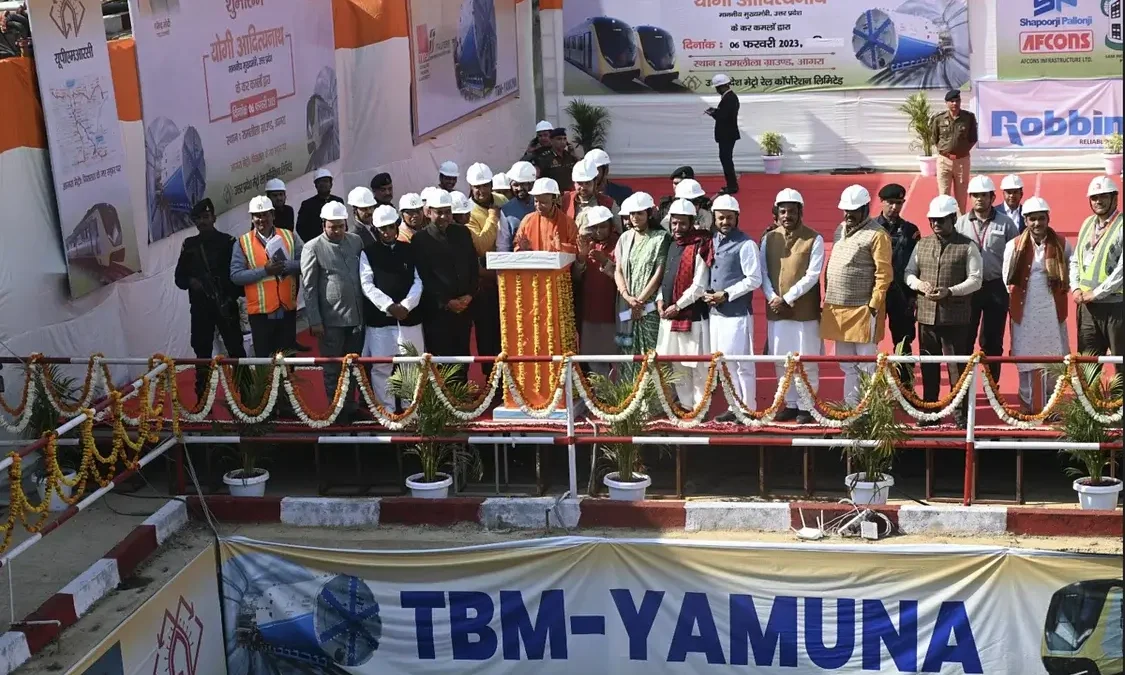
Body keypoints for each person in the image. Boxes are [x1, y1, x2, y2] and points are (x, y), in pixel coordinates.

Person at [906, 195, 983, 428]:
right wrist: (920, 285)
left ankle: (961, 416)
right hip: (927, 318)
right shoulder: (922, 244)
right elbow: (909, 273)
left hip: (955, 319)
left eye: (941, 220)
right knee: (928, 368)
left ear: (953, 218)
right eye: (932, 220)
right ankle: (930, 412)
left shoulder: (968, 246)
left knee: (957, 369)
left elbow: (976, 280)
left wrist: (950, 291)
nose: (936, 224)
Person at [822, 185, 893, 408]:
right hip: (837, 307)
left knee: (866, 363)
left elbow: (884, 274)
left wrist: (873, 305)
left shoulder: (878, 235)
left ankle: (869, 408)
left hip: (864, 309)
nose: (848, 215)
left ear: (865, 209)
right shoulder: (840, 228)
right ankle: (851, 406)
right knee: (846, 363)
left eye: (853, 210)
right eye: (845, 210)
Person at [1002, 197, 1071, 412]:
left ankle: (1052, 408)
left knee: (1053, 358)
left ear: (1048, 218)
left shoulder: (1062, 244)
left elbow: (1068, 272)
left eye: (1041, 218)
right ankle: (1028, 407)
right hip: (1025, 308)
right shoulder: (1013, 246)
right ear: (1025, 220)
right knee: (1026, 360)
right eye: (1032, 219)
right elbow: (1007, 280)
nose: (1037, 224)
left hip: (1052, 308)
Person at [760, 188, 823, 424]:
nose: (787, 216)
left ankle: (807, 406)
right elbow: (763, 272)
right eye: (783, 211)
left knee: (806, 360)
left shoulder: (814, 238)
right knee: (781, 360)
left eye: (792, 211)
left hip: (804, 312)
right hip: (776, 310)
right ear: (777, 212)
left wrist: (787, 297)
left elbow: (813, 274)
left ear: (800, 212)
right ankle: (790, 403)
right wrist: (772, 297)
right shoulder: (768, 238)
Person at [300, 201, 365, 419]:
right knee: (332, 368)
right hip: (330, 320)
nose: (337, 231)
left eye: (340, 226)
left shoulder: (355, 241)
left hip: (356, 316)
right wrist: (314, 320)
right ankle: (335, 409)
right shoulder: (313, 247)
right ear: (323, 225)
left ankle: (351, 406)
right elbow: (308, 287)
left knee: (354, 365)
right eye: (332, 226)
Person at [174, 199, 246, 397]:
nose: (203, 222)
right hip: (200, 309)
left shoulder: (228, 242)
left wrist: (230, 298)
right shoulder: (189, 245)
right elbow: (179, 279)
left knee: (236, 350)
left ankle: (247, 395)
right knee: (202, 354)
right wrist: (192, 282)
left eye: (206, 217)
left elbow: (237, 276)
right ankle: (202, 399)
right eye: (199, 219)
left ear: (214, 218)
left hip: (225, 305)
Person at [359, 205, 425, 410]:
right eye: (382, 229)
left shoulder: (409, 249)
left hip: (408, 318)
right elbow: (367, 285)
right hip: (381, 321)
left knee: (411, 364)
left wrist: (406, 306)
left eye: (390, 227)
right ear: (377, 230)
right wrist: (388, 306)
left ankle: (409, 409)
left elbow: (418, 280)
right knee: (381, 366)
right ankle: (386, 410)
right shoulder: (367, 253)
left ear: (396, 226)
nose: (387, 232)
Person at [411, 190, 479, 383]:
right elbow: (425, 276)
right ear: (428, 212)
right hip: (438, 311)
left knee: (462, 353)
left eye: (447, 212)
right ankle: (445, 399)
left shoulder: (462, 232)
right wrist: (446, 302)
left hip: (464, 307)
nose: (443, 217)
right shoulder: (421, 240)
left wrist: (470, 295)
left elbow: (473, 266)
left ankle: (462, 395)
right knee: (441, 356)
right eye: (439, 212)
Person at [956, 175, 1019, 383]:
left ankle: (992, 385)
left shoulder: (1006, 223)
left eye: (984, 195)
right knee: (965, 338)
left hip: (996, 288)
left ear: (992, 197)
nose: (979, 199)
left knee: (992, 341)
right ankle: (964, 386)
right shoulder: (961, 224)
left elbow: (1016, 255)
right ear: (970, 197)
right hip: (969, 289)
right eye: (975, 195)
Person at [705, 194, 761, 421]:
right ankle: (733, 406)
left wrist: (726, 294)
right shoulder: (711, 241)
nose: (725, 222)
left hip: (737, 314)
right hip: (716, 315)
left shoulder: (746, 244)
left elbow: (754, 279)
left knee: (742, 364)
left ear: (737, 218)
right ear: (714, 219)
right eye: (721, 218)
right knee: (723, 364)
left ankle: (748, 409)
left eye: (729, 218)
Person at [657, 199, 714, 409]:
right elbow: (665, 278)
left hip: (692, 316)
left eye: (682, 224)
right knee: (677, 364)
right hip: (670, 316)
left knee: (697, 366)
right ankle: (686, 406)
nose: (677, 228)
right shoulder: (672, 244)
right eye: (674, 223)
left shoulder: (700, 244)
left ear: (691, 222)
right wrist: (660, 300)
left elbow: (699, 285)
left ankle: (700, 408)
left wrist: (677, 306)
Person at [231, 196, 303, 358]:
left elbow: (305, 262)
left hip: (286, 311)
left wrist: (285, 266)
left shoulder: (290, 236)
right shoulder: (243, 242)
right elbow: (236, 276)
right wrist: (265, 271)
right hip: (260, 315)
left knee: (288, 363)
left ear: (273, 215)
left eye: (266, 214)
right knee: (265, 364)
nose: (262, 219)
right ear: (252, 218)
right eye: (257, 215)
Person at [1070, 175, 1123, 379]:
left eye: (1103, 197)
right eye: (1094, 198)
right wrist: (1075, 288)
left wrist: (1097, 293)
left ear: (1114, 198)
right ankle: (1090, 409)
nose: (1098, 201)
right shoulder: (1087, 224)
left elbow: (1121, 271)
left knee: (1120, 363)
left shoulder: (1120, 225)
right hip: (1087, 308)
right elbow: (1075, 260)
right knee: (1088, 364)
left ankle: (1119, 409)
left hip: (1115, 307)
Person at [875, 183, 921, 384]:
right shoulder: (870, 228)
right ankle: (871, 385)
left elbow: (918, 264)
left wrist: (914, 297)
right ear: (882, 202)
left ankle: (906, 386)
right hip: (876, 293)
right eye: (890, 203)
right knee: (868, 342)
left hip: (902, 295)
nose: (894, 207)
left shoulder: (911, 230)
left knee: (903, 342)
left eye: (898, 203)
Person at [615, 192, 670, 355]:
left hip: (650, 307)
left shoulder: (661, 238)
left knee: (651, 356)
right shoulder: (624, 238)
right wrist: (627, 297)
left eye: (639, 213)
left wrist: (639, 302)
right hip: (627, 303)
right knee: (627, 355)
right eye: (632, 213)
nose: (635, 217)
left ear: (649, 213)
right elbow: (618, 270)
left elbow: (659, 273)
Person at [465, 162, 506, 379]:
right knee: (487, 333)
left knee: (506, 332)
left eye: (484, 186)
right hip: (485, 282)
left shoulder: (501, 201)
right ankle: (491, 379)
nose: (481, 191)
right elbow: (480, 246)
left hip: (507, 279)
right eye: (476, 187)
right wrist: (492, 218)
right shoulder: (469, 212)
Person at [575, 205, 620, 376]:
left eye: (603, 227)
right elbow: (577, 278)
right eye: (595, 227)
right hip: (590, 312)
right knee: (593, 358)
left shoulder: (619, 244)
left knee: (616, 357)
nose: (599, 231)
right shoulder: (586, 244)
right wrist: (581, 258)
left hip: (612, 312)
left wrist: (605, 262)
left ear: (611, 226)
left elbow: (623, 278)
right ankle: (601, 397)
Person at [930, 89, 978, 213]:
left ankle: (961, 222)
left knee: (961, 197)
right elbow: (935, 138)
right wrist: (945, 151)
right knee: (943, 195)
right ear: (946, 103)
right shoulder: (939, 119)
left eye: (957, 101)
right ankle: (944, 220)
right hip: (944, 160)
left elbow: (973, 138)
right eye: (952, 101)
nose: (955, 104)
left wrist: (961, 151)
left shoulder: (968, 118)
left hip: (962, 161)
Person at [513, 178, 579, 254]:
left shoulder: (568, 223)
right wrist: (523, 249)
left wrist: (561, 247)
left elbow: (576, 250)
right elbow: (517, 245)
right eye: (536, 201)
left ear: (554, 199)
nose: (538, 206)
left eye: (543, 202)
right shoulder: (527, 220)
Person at [704, 73, 740, 195]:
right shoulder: (729, 97)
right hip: (727, 134)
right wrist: (716, 111)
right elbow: (725, 114)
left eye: (717, 87)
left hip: (727, 135)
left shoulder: (729, 98)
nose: (717, 90)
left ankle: (732, 186)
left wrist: (713, 113)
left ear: (722, 86)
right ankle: (731, 184)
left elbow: (724, 116)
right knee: (726, 159)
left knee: (726, 160)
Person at [563, 159, 619, 234]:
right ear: (574, 183)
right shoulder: (565, 200)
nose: (583, 187)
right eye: (580, 183)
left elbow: (619, 233)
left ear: (595, 182)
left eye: (587, 183)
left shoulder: (608, 203)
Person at [497, 161, 539, 252]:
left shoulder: (542, 204)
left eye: (523, 184)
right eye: (515, 185)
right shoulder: (506, 210)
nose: (519, 188)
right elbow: (503, 244)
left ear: (531, 184)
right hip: (517, 261)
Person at [296, 168, 344, 243]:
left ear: (331, 184)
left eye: (325, 181)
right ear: (315, 185)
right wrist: (313, 243)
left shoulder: (338, 201)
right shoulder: (307, 205)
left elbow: (344, 224)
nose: (323, 184)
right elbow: (300, 228)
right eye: (320, 182)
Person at [526, 128, 578, 192]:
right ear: (551, 140)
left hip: (570, 194)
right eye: (559, 139)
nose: (562, 142)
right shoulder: (543, 158)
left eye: (564, 139)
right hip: (553, 195)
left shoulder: (569, 156)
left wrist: (574, 155)